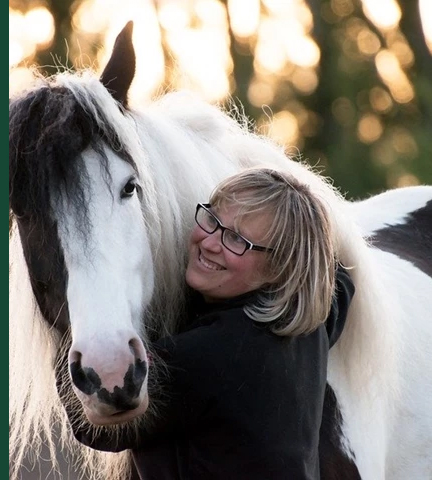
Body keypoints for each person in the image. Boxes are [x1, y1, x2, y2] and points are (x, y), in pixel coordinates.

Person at [62, 166, 355, 479]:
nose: (211, 243)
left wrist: (77, 317)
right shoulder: (309, 323)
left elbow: (98, 428)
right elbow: (341, 282)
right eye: (213, 220)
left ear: (280, 267)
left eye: (237, 241)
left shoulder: (211, 355)